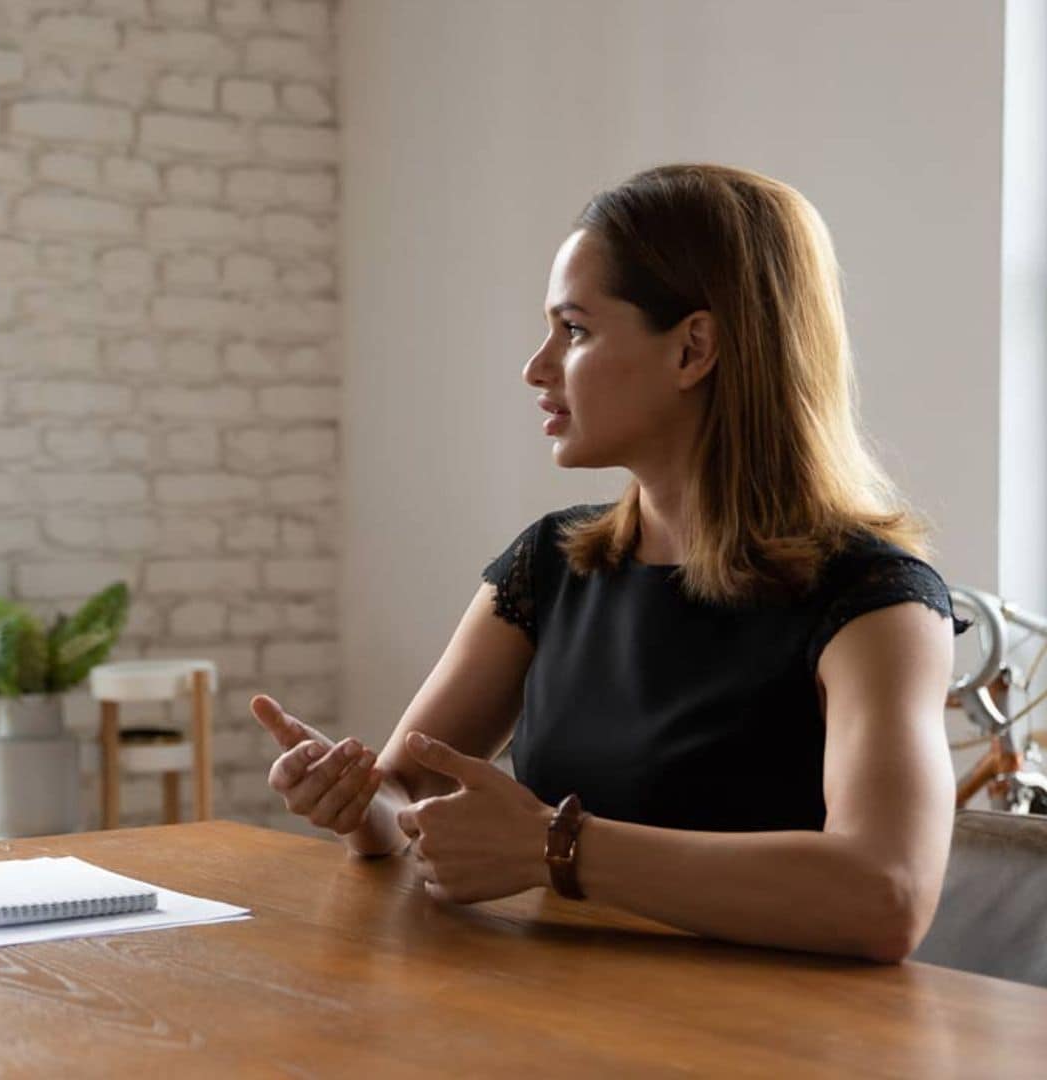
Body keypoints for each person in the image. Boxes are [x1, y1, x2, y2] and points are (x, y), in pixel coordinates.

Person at [254, 164, 961, 962]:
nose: (537, 367)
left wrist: (555, 850)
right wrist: (356, 804)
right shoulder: (548, 566)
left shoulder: (876, 602)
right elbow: (407, 800)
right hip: (557, 1020)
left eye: (575, 330)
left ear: (694, 347)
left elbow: (887, 894)